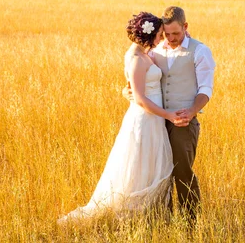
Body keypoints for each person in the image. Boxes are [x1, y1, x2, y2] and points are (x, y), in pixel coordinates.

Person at [58, 12, 180, 224]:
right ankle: (132, 212)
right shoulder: (135, 59)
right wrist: (168, 114)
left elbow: (136, 89)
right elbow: (141, 99)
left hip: (154, 119)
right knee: (138, 164)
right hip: (145, 119)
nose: (161, 38)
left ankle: (150, 213)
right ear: (147, 34)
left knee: (149, 163)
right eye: (159, 34)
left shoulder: (145, 53)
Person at [127, 6, 216, 225]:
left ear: (186, 27)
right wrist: (126, 90)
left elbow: (206, 89)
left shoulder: (200, 51)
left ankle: (190, 223)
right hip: (155, 122)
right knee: (159, 173)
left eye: (176, 33)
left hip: (183, 124)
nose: (171, 38)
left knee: (182, 173)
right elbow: (137, 78)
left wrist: (191, 111)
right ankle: (163, 221)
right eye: (167, 34)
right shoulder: (154, 50)